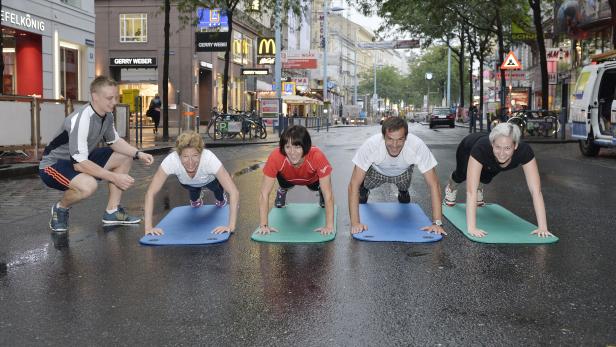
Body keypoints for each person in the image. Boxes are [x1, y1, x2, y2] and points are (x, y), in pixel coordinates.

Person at [39, 76, 155, 233]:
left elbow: (114, 142)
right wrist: (114, 177)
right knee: (88, 186)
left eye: (116, 97)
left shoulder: (107, 115)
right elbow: (79, 163)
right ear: (95, 96)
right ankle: (61, 208)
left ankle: (112, 212)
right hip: (53, 165)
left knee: (125, 156)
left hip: (81, 158)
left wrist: (138, 153)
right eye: (109, 98)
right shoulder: (81, 119)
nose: (114, 102)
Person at [444, 123, 554, 238]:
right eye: (498, 147)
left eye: (507, 148)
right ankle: (451, 187)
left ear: (515, 145)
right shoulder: (481, 149)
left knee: (487, 177)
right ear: (492, 144)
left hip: (491, 161)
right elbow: (470, 191)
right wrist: (472, 227)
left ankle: (480, 187)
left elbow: (536, 191)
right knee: (462, 174)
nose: (502, 153)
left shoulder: (524, 151)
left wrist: (543, 227)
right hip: (468, 147)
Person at [348, 117, 446, 235]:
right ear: (383, 136)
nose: (395, 145)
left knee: (404, 189)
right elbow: (353, 184)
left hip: (402, 173)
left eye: (400, 139)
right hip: (376, 172)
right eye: (390, 139)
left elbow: (434, 184)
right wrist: (355, 223)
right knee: (362, 188)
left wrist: (437, 223)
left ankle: (403, 191)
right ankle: (365, 190)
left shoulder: (417, 145)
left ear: (406, 137)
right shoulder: (371, 145)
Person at [143, 131, 239, 236]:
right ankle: (196, 199)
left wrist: (231, 226)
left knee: (217, 190)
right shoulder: (171, 160)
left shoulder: (209, 159)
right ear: (178, 155)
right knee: (194, 196)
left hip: (209, 180)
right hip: (188, 183)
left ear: (201, 153)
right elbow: (150, 192)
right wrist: (148, 228)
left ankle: (220, 199)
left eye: (195, 155)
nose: (190, 162)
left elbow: (234, 192)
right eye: (185, 156)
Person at [257, 125, 334, 235]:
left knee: (321, 188)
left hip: (311, 180)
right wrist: (264, 225)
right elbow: (264, 194)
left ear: (305, 147)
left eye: (297, 147)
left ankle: (319, 191)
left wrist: (329, 226)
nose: (292, 152)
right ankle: (282, 190)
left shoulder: (317, 156)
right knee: (284, 185)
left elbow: (329, 194)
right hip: (287, 179)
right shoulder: (276, 156)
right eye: (288, 147)